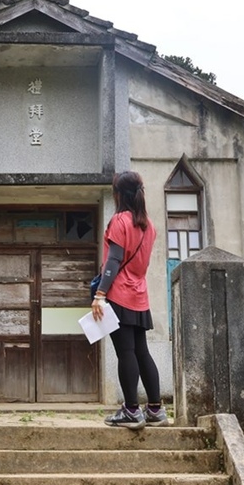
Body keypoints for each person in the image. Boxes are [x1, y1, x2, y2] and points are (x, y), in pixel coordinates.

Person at [91, 170, 169, 429]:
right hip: (140, 295)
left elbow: (113, 260)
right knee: (141, 352)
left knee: (126, 353)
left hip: (119, 295)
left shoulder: (119, 221)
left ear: (117, 194)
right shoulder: (149, 225)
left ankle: (132, 410)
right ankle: (155, 409)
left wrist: (100, 294)